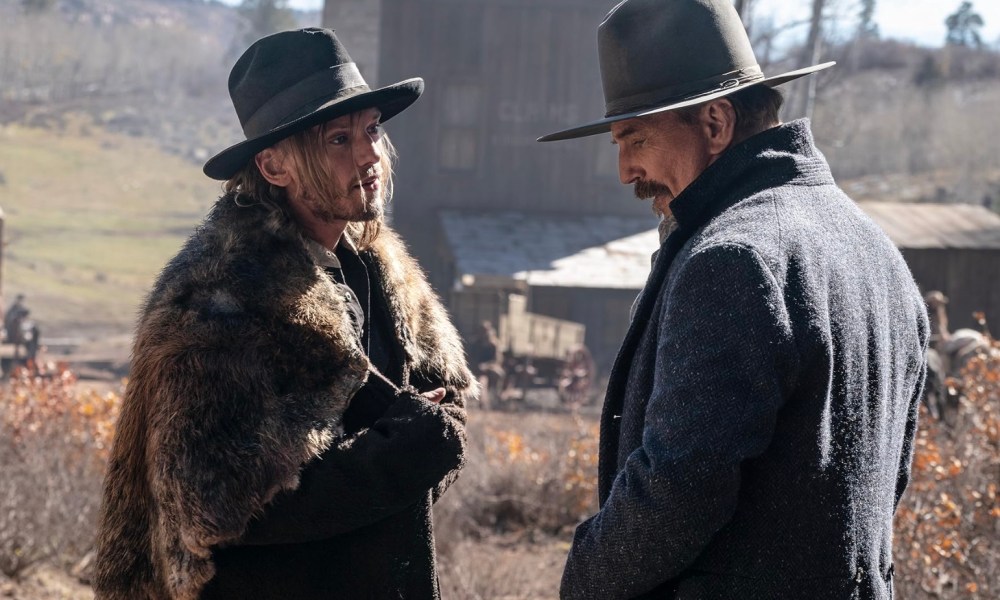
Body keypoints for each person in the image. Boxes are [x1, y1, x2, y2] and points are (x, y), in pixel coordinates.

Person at [537, 1, 928, 598]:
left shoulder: (733, 259)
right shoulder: (877, 250)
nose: (624, 170)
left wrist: (584, 577)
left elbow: (676, 491)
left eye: (634, 138)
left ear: (715, 124)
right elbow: (884, 483)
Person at [94, 28, 476, 600]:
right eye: (338, 140)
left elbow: (441, 425)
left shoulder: (383, 274)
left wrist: (419, 448)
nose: (369, 155)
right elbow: (215, 508)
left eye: (372, 130)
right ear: (274, 168)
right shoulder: (215, 303)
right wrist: (399, 456)